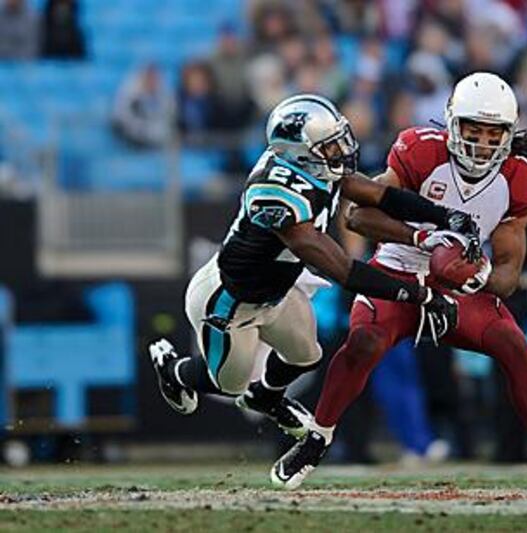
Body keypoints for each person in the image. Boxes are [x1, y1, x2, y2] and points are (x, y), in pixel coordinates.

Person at [270, 73, 527, 490]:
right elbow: (359, 215)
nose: (482, 143)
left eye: (492, 133)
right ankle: (317, 439)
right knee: (364, 342)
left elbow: (507, 272)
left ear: (508, 133)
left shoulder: (521, 178)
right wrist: (424, 235)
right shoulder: (421, 151)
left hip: (454, 283)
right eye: (473, 130)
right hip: (397, 268)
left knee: (514, 343)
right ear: (452, 124)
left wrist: (480, 275)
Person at [147, 94, 478, 444]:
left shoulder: (313, 166)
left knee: (307, 355)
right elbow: (343, 271)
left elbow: (379, 196)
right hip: (229, 302)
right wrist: (419, 294)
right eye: (330, 146)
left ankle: (267, 397)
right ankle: (173, 370)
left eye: (338, 140)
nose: (341, 150)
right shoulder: (275, 195)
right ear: (301, 153)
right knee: (229, 383)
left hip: (277, 291)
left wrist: (446, 217)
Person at [112, 64, 175, 148]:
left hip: (152, 138)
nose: (152, 82)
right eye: (149, 78)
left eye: (155, 79)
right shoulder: (130, 97)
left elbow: (169, 120)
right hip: (131, 137)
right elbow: (124, 119)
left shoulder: (165, 97)